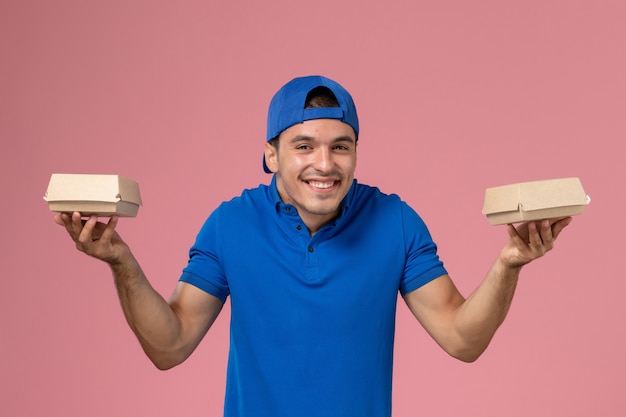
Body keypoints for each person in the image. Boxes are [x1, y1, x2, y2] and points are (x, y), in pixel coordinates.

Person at [55, 75, 572, 417]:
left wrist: (509, 264)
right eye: (303, 146)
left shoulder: (393, 221)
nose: (324, 164)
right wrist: (120, 261)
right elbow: (169, 346)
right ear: (271, 155)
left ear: (354, 152)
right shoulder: (231, 224)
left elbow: (462, 338)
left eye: (339, 147)